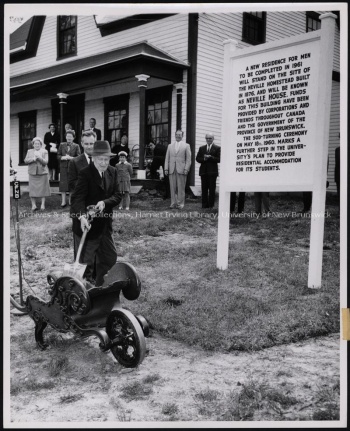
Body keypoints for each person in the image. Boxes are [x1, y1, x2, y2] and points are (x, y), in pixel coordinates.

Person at [70, 140, 122, 286]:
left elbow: (118, 195)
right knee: (86, 264)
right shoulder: (85, 173)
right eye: (101, 159)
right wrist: (81, 217)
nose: (104, 163)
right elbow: (77, 198)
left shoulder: (113, 171)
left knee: (109, 258)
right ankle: (83, 293)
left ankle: (101, 287)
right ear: (93, 158)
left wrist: (105, 203)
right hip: (87, 225)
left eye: (106, 159)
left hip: (104, 225)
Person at [164, 130, 191, 209]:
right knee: (172, 187)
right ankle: (173, 203)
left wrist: (186, 169)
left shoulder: (186, 145)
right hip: (172, 169)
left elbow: (188, 159)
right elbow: (167, 158)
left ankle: (180, 204)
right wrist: (166, 168)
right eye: (177, 135)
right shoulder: (170, 146)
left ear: (182, 136)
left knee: (181, 187)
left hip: (181, 169)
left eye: (180, 135)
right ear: (174, 135)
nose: (178, 136)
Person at [24, 137, 51, 211]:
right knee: (32, 189)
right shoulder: (29, 151)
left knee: (43, 189)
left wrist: (39, 157)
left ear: (41, 144)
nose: (37, 145)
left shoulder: (45, 151)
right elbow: (26, 161)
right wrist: (33, 159)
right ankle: (33, 205)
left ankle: (42, 204)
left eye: (38, 144)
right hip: (32, 172)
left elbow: (45, 162)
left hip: (42, 172)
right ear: (33, 144)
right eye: (35, 144)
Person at [196, 133, 221, 209]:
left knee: (212, 189)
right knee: (204, 189)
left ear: (213, 139)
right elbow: (197, 158)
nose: (208, 140)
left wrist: (211, 157)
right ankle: (204, 205)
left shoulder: (217, 148)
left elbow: (219, 159)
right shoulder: (202, 148)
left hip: (212, 172)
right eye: (207, 138)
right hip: (204, 171)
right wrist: (204, 159)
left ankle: (211, 205)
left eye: (210, 138)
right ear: (205, 139)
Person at [57, 130, 81, 207]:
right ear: (66, 137)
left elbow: (79, 157)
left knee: (71, 184)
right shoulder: (61, 145)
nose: (69, 138)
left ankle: (71, 200)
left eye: (70, 136)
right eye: (67, 136)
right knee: (63, 184)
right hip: (63, 167)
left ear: (73, 137)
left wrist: (71, 158)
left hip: (72, 167)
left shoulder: (76, 146)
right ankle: (63, 201)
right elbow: (58, 156)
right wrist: (63, 157)